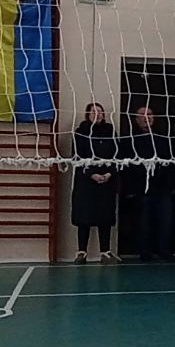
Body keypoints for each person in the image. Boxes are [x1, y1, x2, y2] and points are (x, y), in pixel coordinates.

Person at [120, 104, 175, 261]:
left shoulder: (162, 138)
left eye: (150, 114)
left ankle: (164, 250)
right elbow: (125, 166)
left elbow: (170, 162)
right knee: (143, 221)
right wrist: (129, 189)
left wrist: (172, 185)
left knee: (165, 220)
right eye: (143, 115)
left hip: (162, 187)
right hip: (140, 187)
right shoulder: (129, 139)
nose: (147, 118)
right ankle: (144, 252)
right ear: (136, 119)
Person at [70, 103, 118, 263]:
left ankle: (105, 252)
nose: (97, 114)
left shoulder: (110, 131)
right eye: (94, 112)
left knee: (105, 216)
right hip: (86, 181)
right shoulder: (80, 132)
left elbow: (117, 156)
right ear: (87, 115)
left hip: (107, 180)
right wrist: (92, 174)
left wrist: (109, 173)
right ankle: (81, 252)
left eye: (100, 112)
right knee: (84, 217)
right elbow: (76, 157)